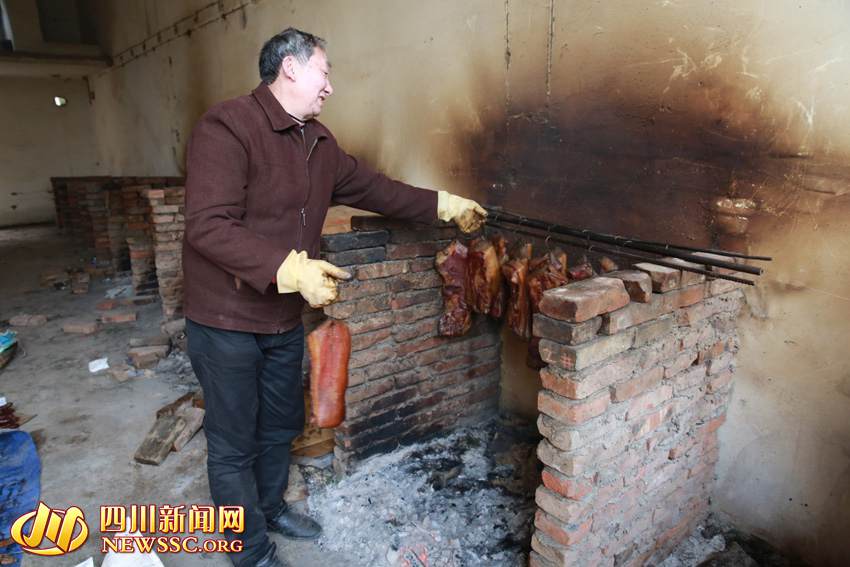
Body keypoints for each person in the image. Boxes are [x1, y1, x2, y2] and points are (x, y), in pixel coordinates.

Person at [182, 27, 486, 567]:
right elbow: (207, 227)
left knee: (278, 425)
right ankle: (247, 549)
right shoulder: (227, 127)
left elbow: (376, 188)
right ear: (291, 68)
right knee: (233, 442)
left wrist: (442, 204)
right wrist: (286, 268)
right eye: (324, 71)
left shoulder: (317, 142)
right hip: (225, 318)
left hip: (279, 317)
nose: (330, 86)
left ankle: (271, 507)